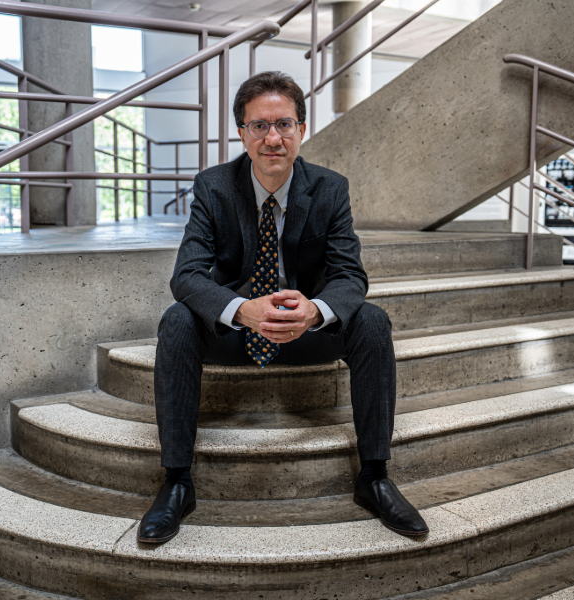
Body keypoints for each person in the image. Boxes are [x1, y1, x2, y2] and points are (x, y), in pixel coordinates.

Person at [136, 71, 428, 543]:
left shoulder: (330, 188)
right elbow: (186, 276)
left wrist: (315, 310)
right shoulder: (214, 187)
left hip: (305, 332)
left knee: (372, 321)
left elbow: (351, 276)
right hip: (236, 332)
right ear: (242, 133)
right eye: (259, 126)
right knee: (176, 322)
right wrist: (241, 309)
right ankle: (177, 483)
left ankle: (374, 476)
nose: (273, 137)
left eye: (284, 124)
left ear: (301, 130)